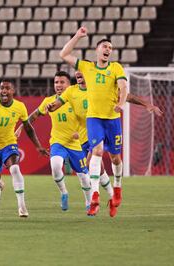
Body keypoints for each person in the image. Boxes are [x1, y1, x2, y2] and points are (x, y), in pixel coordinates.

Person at [47, 71, 163, 216]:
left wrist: (146, 104)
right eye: (77, 74)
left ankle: (98, 199)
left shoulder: (101, 87)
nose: (79, 75)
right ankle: (110, 195)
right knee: (99, 169)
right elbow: (58, 103)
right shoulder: (71, 91)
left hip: (104, 129)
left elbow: (125, 96)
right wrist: (51, 106)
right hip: (83, 138)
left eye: (82, 72)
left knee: (103, 162)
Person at [60, 27, 128, 216]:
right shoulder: (87, 66)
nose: (108, 49)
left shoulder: (116, 67)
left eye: (111, 48)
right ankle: (95, 196)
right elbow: (64, 54)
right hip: (94, 118)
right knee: (96, 152)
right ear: (97, 50)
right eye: (105, 46)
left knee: (115, 158)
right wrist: (78, 36)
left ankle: (117, 188)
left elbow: (123, 87)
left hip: (113, 119)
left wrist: (121, 103)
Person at [16, 72, 92, 213]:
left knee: (84, 178)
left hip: (76, 144)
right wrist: (21, 127)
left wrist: (81, 132)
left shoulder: (75, 99)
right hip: (58, 142)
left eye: (62, 82)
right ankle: (64, 193)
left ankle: (89, 202)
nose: (58, 85)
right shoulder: (49, 101)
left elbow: (88, 119)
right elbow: (33, 116)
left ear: (69, 85)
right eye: (56, 82)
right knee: (55, 166)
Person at [0, 80, 48, 217]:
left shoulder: (20, 106)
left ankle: (21, 206)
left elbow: (28, 128)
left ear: (13, 91)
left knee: (14, 168)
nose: (3, 91)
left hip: (9, 143)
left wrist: (38, 146)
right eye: (1, 88)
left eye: (7, 88)